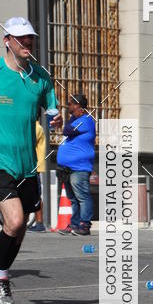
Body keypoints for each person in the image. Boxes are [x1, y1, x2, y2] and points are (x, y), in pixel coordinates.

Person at [0, 17, 62, 304]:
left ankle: (2, 271)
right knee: (13, 221)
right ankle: (1, 280)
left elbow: (52, 110)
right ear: (7, 41)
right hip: (1, 163)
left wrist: (56, 117)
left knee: (20, 228)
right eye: (22, 39)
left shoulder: (41, 77)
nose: (28, 43)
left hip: (28, 165)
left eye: (31, 39)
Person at [56, 92, 96, 236]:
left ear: (78, 105)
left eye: (71, 104)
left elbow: (67, 130)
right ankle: (74, 224)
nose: (68, 106)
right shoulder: (76, 119)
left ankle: (85, 225)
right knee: (73, 198)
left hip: (79, 167)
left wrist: (73, 116)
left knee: (82, 196)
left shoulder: (86, 120)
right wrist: (73, 115)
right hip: (67, 167)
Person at [27, 119, 48, 232]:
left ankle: (40, 223)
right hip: (29, 166)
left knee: (36, 195)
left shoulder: (36, 128)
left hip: (33, 166)